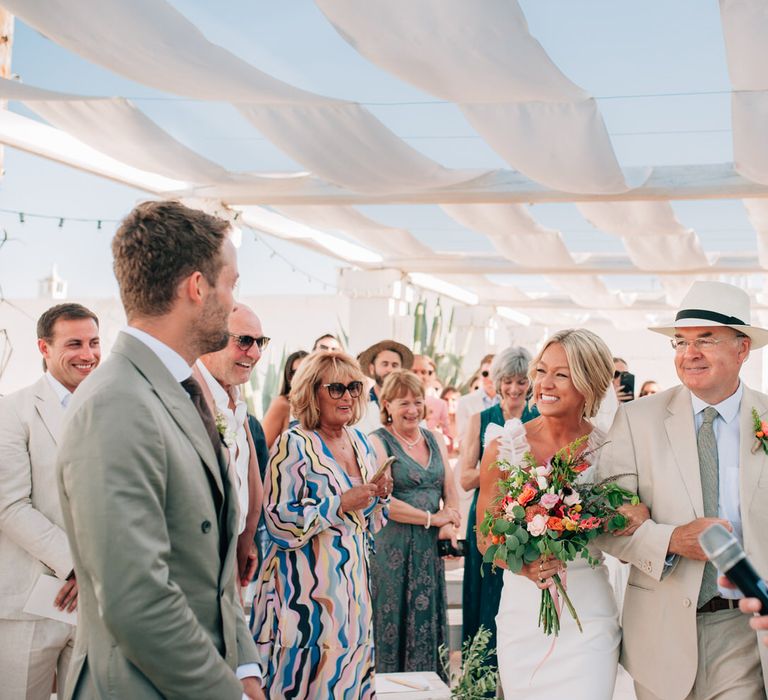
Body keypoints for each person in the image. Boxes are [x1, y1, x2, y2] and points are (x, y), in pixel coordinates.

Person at [57, 201, 264, 699]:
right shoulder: (116, 404)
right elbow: (138, 602)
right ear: (196, 287)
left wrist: (245, 669)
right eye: (230, 283)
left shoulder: (178, 388)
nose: (233, 299)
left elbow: (210, 571)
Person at [597, 280, 768, 700]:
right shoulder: (636, 421)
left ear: (742, 348)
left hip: (747, 632)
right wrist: (672, 539)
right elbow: (602, 524)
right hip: (661, 633)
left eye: (705, 340)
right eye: (680, 341)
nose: (689, 353)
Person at [477, 329, 644, 699]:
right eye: (541, 371)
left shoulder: (611, 451)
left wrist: (632, 514)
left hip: (589, 614)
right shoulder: (504, 446)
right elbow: (485, 537)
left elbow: (628, 520)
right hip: (524, 614)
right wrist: (524, 567)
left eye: (561, 374)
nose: (544, 384)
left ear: (589, 382)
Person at [251, 351, 392, 699]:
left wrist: (379, 497)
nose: (347, 397)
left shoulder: (360, 441)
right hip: (306, 601)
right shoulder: (293, 444)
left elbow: (371, 524)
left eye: (354, 387)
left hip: (354, 598)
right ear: (312, 392)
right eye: (336, 388)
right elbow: (278, 522)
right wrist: (340, 503)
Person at [0, 303, 100, 699]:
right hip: (28, 602)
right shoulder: (12, 411)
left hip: (95, 602)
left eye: (94, 342)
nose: (88, 354)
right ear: (44, 347)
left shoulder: (110, 410)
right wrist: (76, 566)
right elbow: (9, 506)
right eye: (73, 343)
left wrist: (98, 572)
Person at [368, 370, 460, 676]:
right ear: (387, 405)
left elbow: (451, 489)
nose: (411, 410)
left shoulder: (434, 439)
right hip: (392, 549)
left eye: (417, 402)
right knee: (391, 621)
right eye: (403, 402)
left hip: (428, 550)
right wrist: (432, 518)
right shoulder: (378, 442)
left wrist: (449, 523)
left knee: (427, 621)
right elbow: (383, 501)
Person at [458, 346, 537, 674]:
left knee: (521, 599)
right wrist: (501, 464)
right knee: (484, 597)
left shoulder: (540, 420)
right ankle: (481, 678)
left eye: (521, 381)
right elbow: (465, 478)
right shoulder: (480, 419)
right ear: (497, 382)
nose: (514, 389)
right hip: (486, 520)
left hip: (527, 520)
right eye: (508, 381)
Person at [197, 303, 268, 586]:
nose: (256, 353)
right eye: (244, 341)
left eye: (260, 342)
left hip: (232, 565)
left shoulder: (237, 402)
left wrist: (246, 541)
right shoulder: (184, 398)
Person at [356, 339, 414, 434]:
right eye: (384, 364)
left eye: (395, 365)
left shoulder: (413, 404)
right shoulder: (360, 406)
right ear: (372, 368)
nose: (389, 369)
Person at [261, 350, 308, 449]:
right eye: (295, 373)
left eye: (306, 371)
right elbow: (262, 448)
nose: (301, 377)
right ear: (289, 377)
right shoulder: (283, 404)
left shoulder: (321, 407)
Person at [456, 353, 497, 438]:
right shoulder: (464, 402)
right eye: (485, 373)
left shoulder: (511, 400)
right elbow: (462, 438)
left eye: (494, 373)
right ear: (480, 374)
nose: (489, 378)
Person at [412, 354, 450, 435]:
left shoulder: (440, 405)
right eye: (414, 371)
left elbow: (448, 437)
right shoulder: (394, 400)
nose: (419, 376)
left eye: (423, 372)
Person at [440, 386, 461, 456]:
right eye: (446, 399)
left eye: (453, 399)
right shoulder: (438, 425)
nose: (449, 402)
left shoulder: (465, 424)